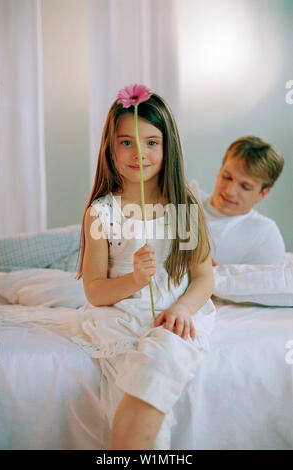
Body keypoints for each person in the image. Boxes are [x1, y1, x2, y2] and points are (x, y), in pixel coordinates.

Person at [71, 91, 216, 450]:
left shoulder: (184, 205)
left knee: (161, 357)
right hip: (121, 317)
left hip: (173, 317)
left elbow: (203, 277)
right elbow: (95, 291)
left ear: (168, 147)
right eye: (127, 142)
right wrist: (134, 280)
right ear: (110, 147)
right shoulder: (101, 213)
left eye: (152, 142)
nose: (140, 153)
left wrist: (182, 308)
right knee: (128, 381)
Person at [189, 136, 286, 266]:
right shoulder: (186, 200)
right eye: (227, 177)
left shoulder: (264, 235)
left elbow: (263, 285)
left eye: (245, 187)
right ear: (219, 171)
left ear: (262, 194)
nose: (230, 191)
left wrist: (210, 273)